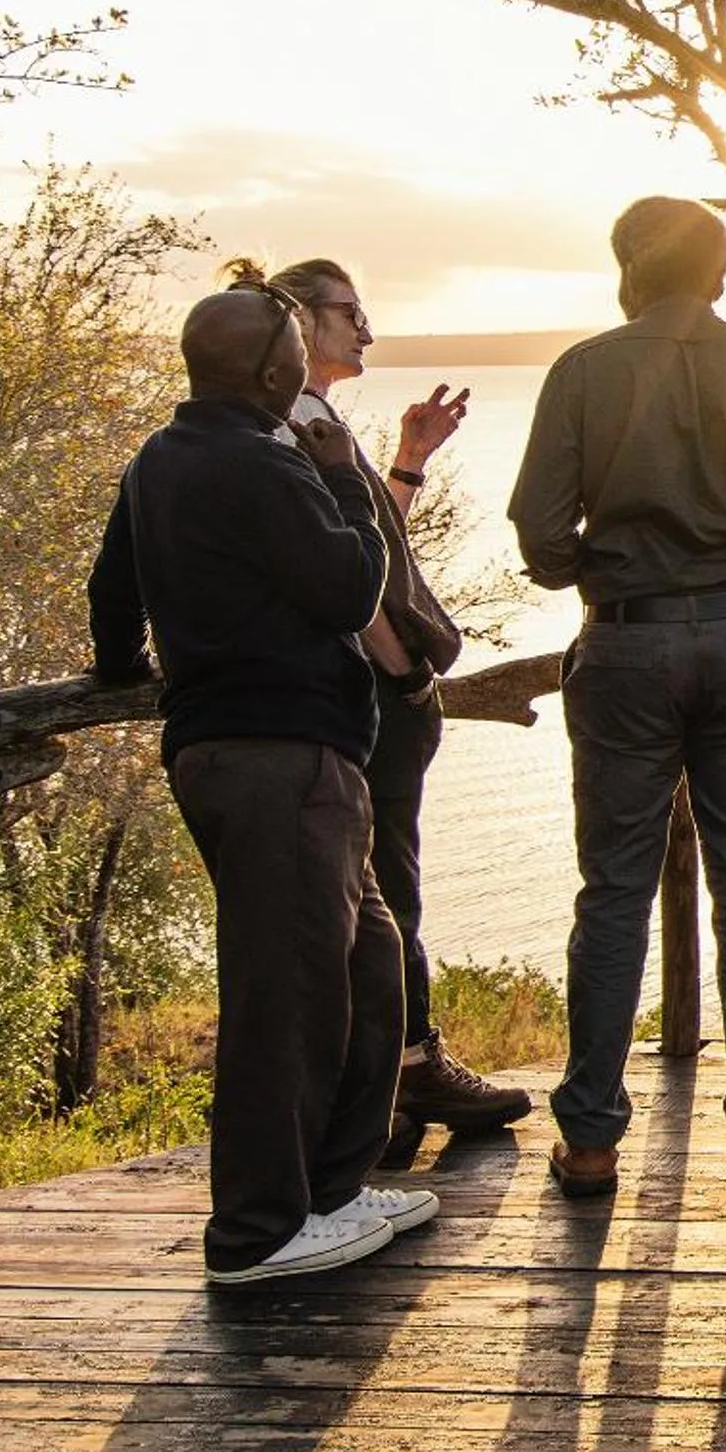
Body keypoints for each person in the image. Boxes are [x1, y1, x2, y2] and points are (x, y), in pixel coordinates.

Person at [87, 283, 437, 1282]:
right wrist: (343, 483)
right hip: (281, 754)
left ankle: (330, 1185)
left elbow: (113, 593)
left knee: (366, 967)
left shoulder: (158, 460)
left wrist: (128, 669)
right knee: (282, 995)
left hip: (236, 748)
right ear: (278, 374)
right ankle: (254, 1227)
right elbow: (345, 587)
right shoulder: (268, 465)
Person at [508, 197, 726, 1198]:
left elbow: (537, 532)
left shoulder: (582, 370)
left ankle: (588, 1138)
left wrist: (613, 570)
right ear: (720, 270)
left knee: (611, 887)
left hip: (623, 639)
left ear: (628, 266)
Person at [236, 255, 534, 1153]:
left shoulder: (317, 421)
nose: (365, 330)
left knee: (377, 880)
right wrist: (404, 671)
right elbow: (339, 580)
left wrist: (406, 462)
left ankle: (396, 1073)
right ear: (298, 322)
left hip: (375, 689)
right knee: (379, 885)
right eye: (348, 313)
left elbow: (370, 545)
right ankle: (404, 1074)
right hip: (368, 690)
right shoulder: (290, 426)